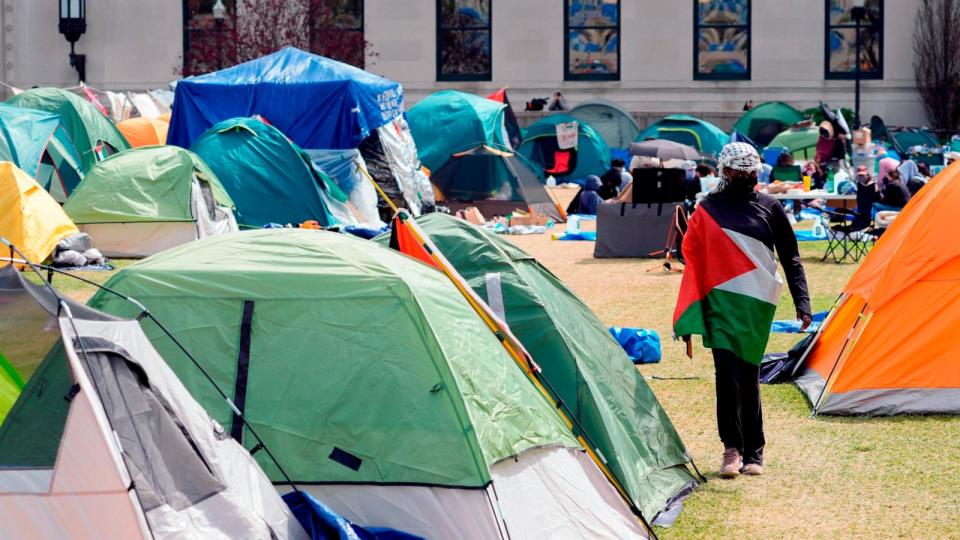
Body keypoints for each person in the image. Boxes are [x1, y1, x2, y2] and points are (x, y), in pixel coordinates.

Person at [673, 142, 811, 479]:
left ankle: (755, 452)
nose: (746, 176)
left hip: (756, 304)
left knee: (748, 376)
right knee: (726, 375)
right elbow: (690, 258)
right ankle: (731, 450)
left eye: (751, 171)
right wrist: (691, 310)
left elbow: (790, 257)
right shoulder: (707, 209)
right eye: (740, 170)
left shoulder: (771, 207)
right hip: (720, 302)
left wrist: (802, 302)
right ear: (726, 172)